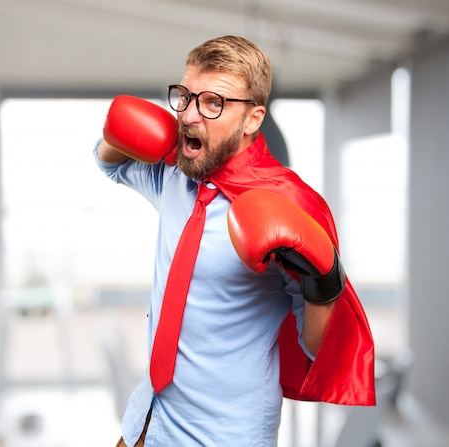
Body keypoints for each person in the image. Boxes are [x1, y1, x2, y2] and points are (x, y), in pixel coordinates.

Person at [95, 35, 375, 447]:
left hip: (223, 436)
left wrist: (323, 278)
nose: (190, 115)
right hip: (147, 420)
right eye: (185, 97)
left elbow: (318, 347)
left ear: (253, 119)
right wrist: (117, 134)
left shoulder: (287, 205)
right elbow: (109, 166)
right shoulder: (175, 173)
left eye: (213, 103)